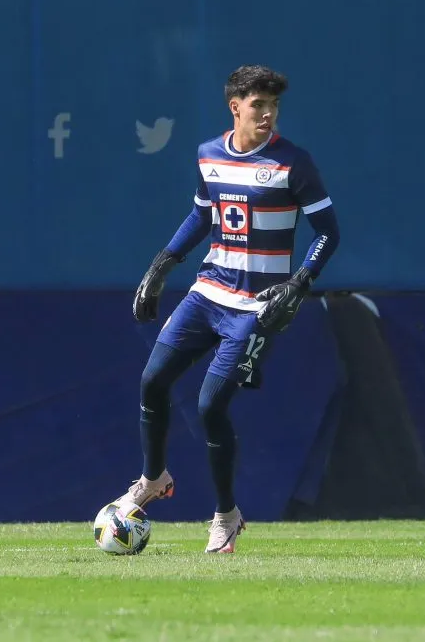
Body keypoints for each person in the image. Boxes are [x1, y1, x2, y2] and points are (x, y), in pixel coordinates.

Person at [117, 64, 340, 553]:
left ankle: (226, 515)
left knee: (209, 406)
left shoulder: (293, 163)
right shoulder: (209, 155)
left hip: (255, 308)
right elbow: (203, 213)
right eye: (258, 105)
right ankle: (153, 478)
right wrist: (162, 265)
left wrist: (300, 282)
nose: (267, 115)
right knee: (152, 380)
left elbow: (329, 232)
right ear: (234, 107)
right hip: (208, 292)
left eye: (273, 106)